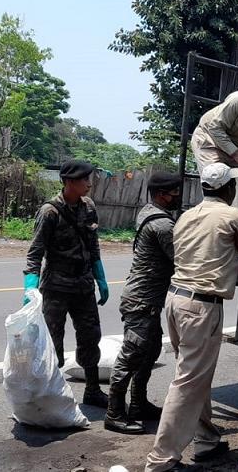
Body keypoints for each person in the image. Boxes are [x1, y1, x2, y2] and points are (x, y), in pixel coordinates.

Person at [146, 163, 238, 472]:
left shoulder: (186, 216)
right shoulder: (233, 217)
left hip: (176, 301)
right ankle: (161, 461)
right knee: (188, 382)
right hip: (201, 307)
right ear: (229, 189)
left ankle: (205, 439)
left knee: (193, 375)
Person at [23, 159, 110, 408]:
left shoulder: (88, 207)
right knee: (53, 343)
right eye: (84, 179)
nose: (89, 184)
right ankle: (52, 394)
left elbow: (93, 245)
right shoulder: (49, 211)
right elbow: (35, 253)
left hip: (83, 285)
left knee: (90, 337)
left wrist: (100, 277)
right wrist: (30, 286)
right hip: (56, 288)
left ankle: (93, 390)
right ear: (69, 182)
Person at [105, 172, 182, 434]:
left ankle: (138, 405)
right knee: (131, 356)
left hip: (144, 300)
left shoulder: (148, 212)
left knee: (148, 354)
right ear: (161, 194)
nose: (177, 198)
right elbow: (181, 259)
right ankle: (114, 412)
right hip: (142, 301)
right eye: (174, 194)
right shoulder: (163, 226)